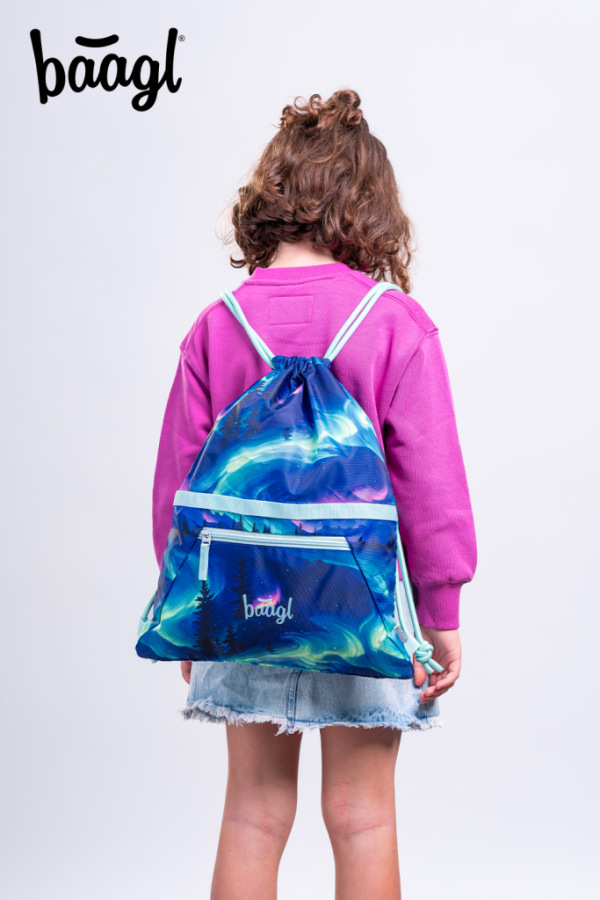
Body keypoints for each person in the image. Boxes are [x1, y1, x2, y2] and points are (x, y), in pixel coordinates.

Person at [151, 89, 477, 899]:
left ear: (271, 198)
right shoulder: (396, 323)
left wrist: (190, 610)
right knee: (364, 818)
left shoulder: (218, 324)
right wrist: (441, 613)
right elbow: (432, 485)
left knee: (252, 815)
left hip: (241, 600)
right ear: (369, 209)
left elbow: (178, 483)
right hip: (361, 608)